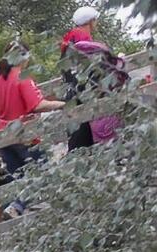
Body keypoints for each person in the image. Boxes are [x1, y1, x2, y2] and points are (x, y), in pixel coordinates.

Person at [0, 41, 66, 216]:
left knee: (16, 177)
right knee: (42, 173)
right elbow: (37, 105)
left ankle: (10, 214)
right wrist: (63, 104)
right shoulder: (23, 77)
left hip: (3, 135)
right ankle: (16, 207)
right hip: (24, 135)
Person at [61, 6, 100, 150]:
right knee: (84, 143)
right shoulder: (84, 41)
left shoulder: (68, 41)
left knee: (77, 141)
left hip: (72, 96)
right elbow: (93, 71)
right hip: (84, 96)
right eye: (95, 21)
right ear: (90, 22)